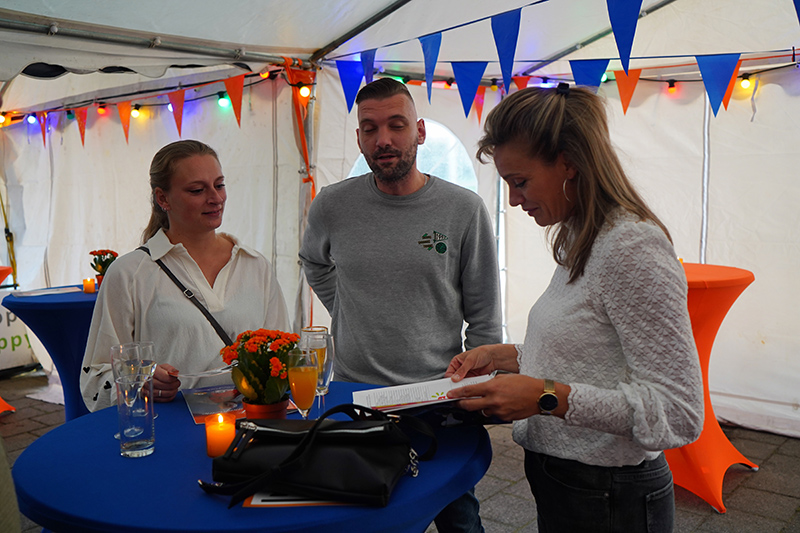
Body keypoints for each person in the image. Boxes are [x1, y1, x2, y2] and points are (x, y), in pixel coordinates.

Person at [446, 84, 704, 533]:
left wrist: (545, 397)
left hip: (610, 496)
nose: (512, 199)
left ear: (569, 162)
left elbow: (678, 412)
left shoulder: (631, 247)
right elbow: (590, 353)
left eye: (520, 181)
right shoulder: (584, 236)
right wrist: (504, 357)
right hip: (574, 485)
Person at [299, 78, 501, 533]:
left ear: (420, 132)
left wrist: (479, 387)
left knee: (459, 519)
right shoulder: (333, 204)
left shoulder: (462, 209)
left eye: (396, 125)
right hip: (355, 399)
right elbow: (314, 261)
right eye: (369, 129)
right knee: (364, 517)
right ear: (358, 139)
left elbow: (485, 314)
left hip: (438, 400)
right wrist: (345, 309)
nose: (383, 139)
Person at [81, 140, 290, 412]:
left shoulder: (254, 265)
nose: (215, 198)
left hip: (250, 429)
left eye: (219, 184)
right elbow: (95, 378)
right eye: (197, 190)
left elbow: (284, 353)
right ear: (163, 198)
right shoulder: (130, 273)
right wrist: (139, 381)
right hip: (169, 434)